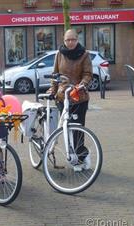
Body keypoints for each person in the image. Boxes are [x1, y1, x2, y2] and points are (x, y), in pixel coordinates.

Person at [47, 29, 93, 172]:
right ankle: (73, 158)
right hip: (63, 96)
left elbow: (88, 73)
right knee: (66, 128)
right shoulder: (59, 54)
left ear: (77, 40)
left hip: (79, 97)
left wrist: (82, 84)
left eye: (73, 39)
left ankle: (81, 156)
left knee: (78, 129)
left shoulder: (84, 55)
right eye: (68, 40)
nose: (70, 42)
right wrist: (52, 90)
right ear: (64, 40)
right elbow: (55, 75)